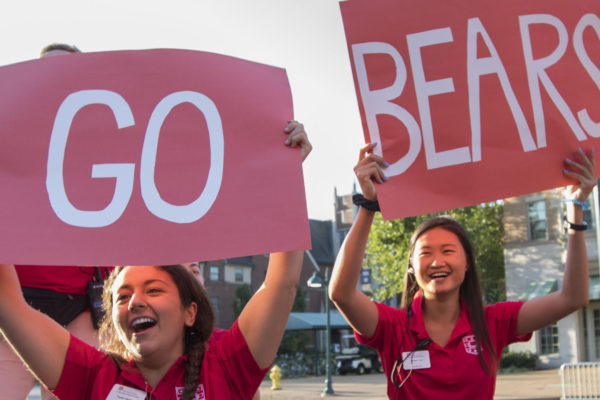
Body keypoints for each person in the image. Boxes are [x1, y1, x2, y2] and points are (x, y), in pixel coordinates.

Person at [0, 121, 311, 400]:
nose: (135, 301)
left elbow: (282, 282)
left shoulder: (228, 366)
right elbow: (8, 303)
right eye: (122, 296)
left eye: (153, 290)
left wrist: (286, 177)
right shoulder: (92, 375)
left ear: (190, 312)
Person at [329, 143, 595, 399]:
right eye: (425, 253)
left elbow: (572, 299)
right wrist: (368, 206)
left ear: (467, 263)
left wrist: (576, 213)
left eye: (447, 251)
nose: (436, 261)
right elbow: (341, 293)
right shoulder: (392, 327)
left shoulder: (493, 323)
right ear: (411, 268)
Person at [0, 42, 109, 400]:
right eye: (47, 70)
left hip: (79, 305)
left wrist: (278, 144)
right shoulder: (8, 131)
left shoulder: (113, 139)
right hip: (10, 300)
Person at [182, 262, 261, 400]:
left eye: (195, 271)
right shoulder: (148, 346)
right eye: (179, 272)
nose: (189, 277)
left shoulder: (224, 343)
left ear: (203, 281)